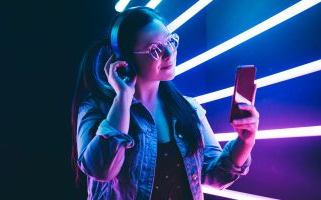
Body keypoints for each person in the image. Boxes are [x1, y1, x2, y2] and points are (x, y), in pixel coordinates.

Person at [71, 6, 259, 200]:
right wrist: (123, 98)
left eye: (170, 41)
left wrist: (245, 141)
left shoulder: (189, 108)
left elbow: (214, 176)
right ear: (125, 59)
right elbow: (101, 170)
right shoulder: (97, 108)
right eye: (155, 49)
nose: (169, 52)